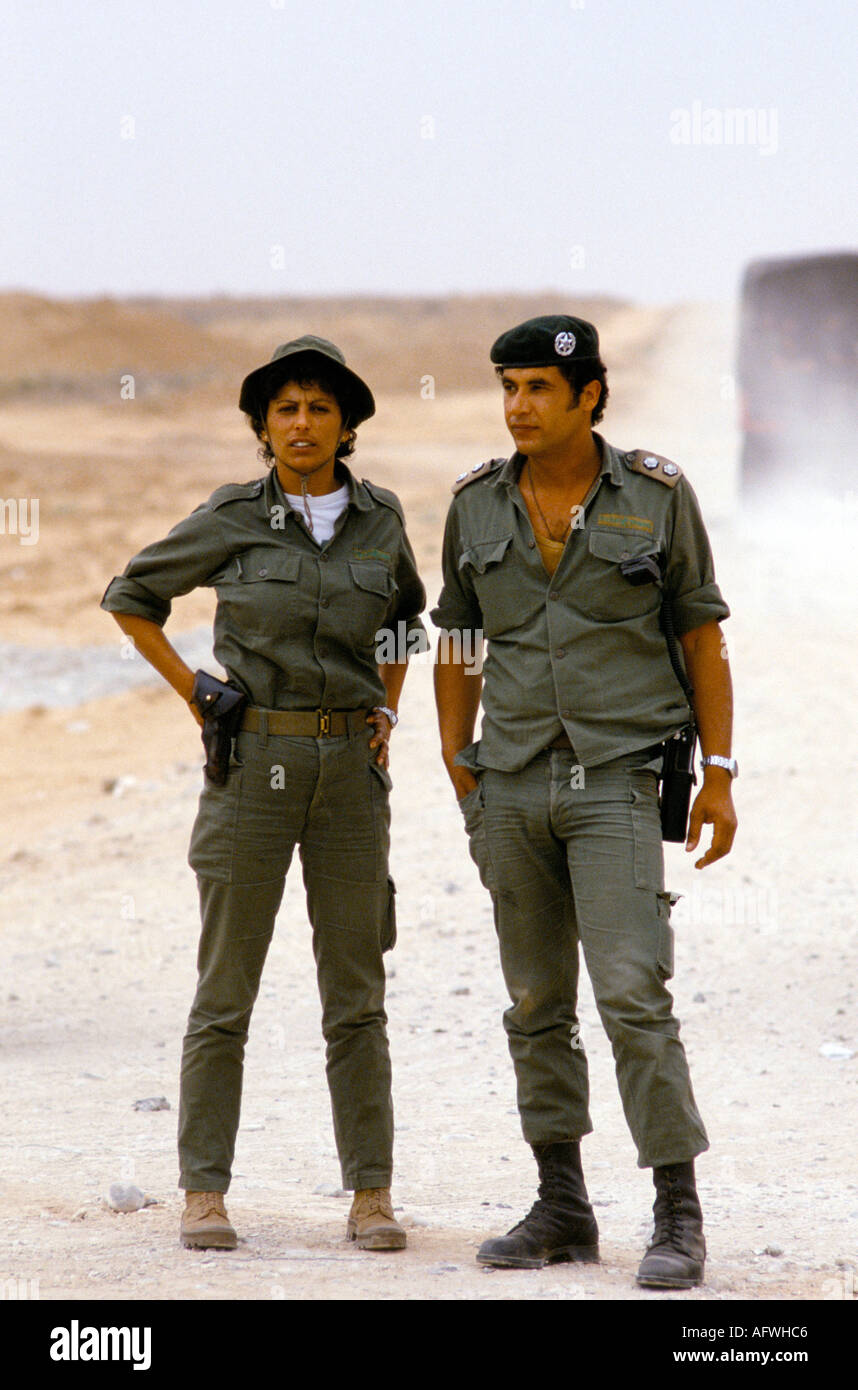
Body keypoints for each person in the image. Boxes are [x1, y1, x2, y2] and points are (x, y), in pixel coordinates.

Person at [102, 335, 427, 1253]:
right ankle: (204, 1192)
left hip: (349, 780)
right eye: (284, 409)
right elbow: (132, 594)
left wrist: (388, 713)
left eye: (320, 408)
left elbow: (408, 620)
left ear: (346, 425)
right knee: (225, 991)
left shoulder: (381, 519)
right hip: (253, 772)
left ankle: (371, 1194)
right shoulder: (233, 516)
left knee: (356, 995)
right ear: (261, 425)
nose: (301, 424)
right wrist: (195, 689)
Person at [431, 314, 737, 1288]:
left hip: (613, 776)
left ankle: (676, 1214)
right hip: (512, 780)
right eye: (508, 387)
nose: (519, 405)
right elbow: (455, 639)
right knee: (534, 1001)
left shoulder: (656, 493)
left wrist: (721, 774)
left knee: (632, 993)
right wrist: (458, 763)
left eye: (538, 389)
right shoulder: (476, 505)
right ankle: (561, 1202)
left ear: (588, 396)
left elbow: (702, 638)